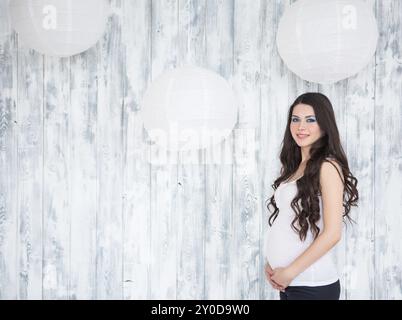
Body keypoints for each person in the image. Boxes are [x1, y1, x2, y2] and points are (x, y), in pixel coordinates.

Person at [264, 92, 358, 300]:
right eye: (295, 119)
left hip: (311, 286)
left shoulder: (328, 166)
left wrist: (289, 272)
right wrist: (272, 263)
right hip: (290, 283)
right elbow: (288, 221)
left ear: (325, 126)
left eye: (310, 120)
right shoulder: (296, 167)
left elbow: (333, 233)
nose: (300, 127)